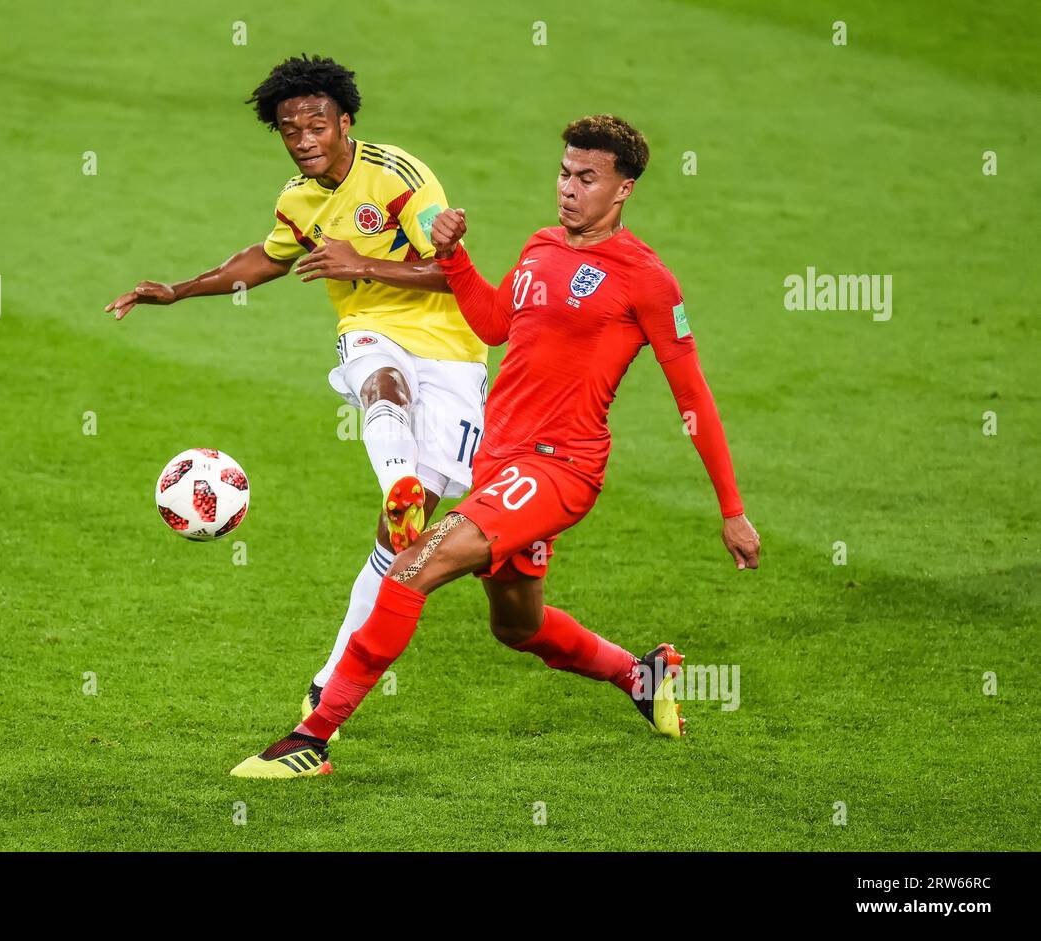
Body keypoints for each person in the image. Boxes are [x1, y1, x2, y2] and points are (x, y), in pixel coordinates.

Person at [230, 114, 761, 779]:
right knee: (517, 626)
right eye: (564, 173)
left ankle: (312, 738)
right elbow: (491, 322)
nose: (568, 189)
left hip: (559, 468)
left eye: (587, 178)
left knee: (410, 566)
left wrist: (732, 510)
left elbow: (694, 396)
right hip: (500, 463)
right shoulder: (542, 246)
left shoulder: (646, 278)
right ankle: (641, 674)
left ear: (623, 188)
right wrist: (453, 256)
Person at [104, 56, 488, 734]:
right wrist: (181, 290)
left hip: (454, 352)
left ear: (346, 122)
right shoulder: (298, 200)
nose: (305, 140)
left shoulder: (399, 176)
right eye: (290, 130)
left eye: (317, 125)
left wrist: (360, 263)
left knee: (397, 552)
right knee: (377, 375)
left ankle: (328, 674)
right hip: (373, 329)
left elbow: (454, 272)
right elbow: (268, 257)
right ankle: (396, 484)